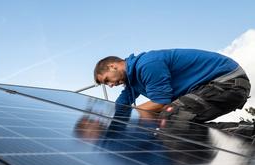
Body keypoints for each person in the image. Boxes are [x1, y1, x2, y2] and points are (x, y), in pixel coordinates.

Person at [93, 49, 250, 123]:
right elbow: (121, 106)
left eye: (107, 80)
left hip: (227, 81)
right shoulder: (132, 81)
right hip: (211, 88)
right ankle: (240, 136)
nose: (110, 86)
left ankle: (246, 137)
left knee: (171, 116)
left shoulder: (147, 65)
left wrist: (134, 117)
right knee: (171, 121)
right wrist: (104, 122)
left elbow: (160, 101)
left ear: (113, 66)